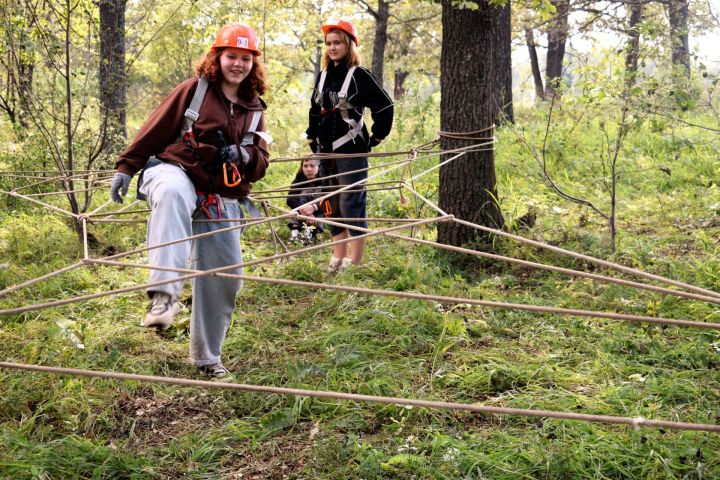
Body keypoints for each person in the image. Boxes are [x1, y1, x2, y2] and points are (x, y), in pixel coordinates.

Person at [109, 22, 270, 377]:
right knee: (169, 193)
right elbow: (155, 128)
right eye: (232, 56)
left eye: (245, 58)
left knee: (227, 275)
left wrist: (244, 157)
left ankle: (206, 357)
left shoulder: (254, 109)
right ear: (218, 57)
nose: (238, 64)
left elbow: (260, 164)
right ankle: (164, 295)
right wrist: (126, 167)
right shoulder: (194, 91)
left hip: (220, 192)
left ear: (252, 64)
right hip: (175, 171)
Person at [306, 19, 393, 273]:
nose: (332, 48)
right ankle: (338, 256)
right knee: (331, 203)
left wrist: (376, 137)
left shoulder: (359, 76)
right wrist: (312, 136)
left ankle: (354, 262)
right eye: (329, 43)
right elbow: (315, 108)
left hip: (351, 149)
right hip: (326, 151)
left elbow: (385, 106)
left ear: (349, 45)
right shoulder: (323, 76)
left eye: (338, 43)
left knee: (351, 202)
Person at [285, 158, 325, 244]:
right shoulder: (299, 179)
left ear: (319, 167)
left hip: (318, 212)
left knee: (318, 191)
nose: (309, 169)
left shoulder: (325, 180)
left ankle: (310, 230)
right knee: (304, 193)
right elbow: (290, 199)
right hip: (302, 212)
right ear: (302, 167)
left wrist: (314, 207)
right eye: (305, 166)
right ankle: (295, 230)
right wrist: (306, 211)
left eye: (312, 166)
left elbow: (329, 201)